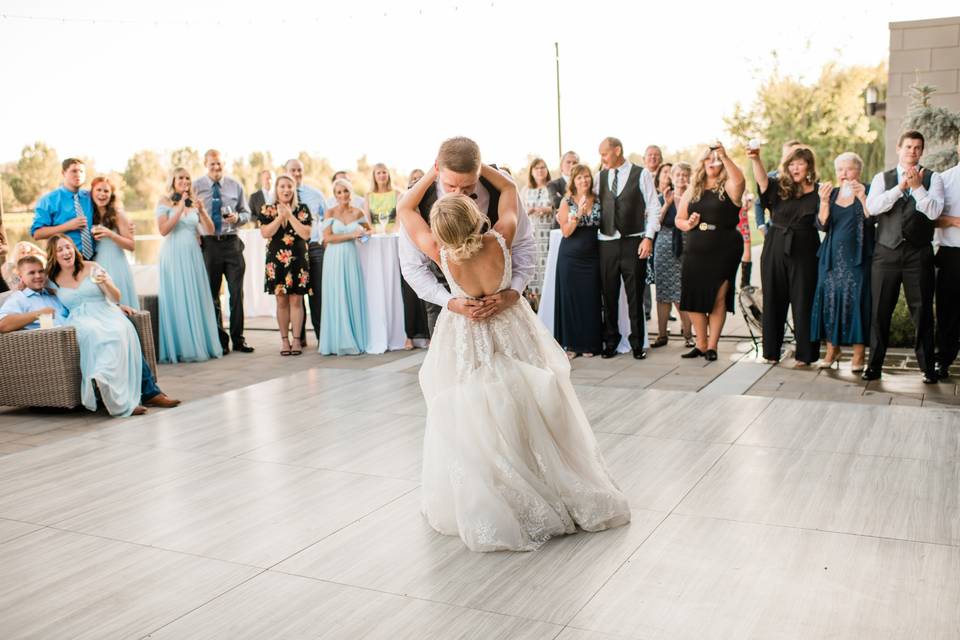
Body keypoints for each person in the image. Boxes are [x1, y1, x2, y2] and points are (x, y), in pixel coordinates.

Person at [398, 162, 629, 552]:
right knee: (528, 402)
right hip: (512, 325)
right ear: (476, 215)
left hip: (469, 333)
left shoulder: (442, 253)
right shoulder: (501, 238)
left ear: (441, 233)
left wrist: (434, 173)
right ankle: (547, 476)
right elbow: (509, 191)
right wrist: (479, 166)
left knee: (482, 413)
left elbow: (405, 208)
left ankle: (503, 491)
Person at [0, 253, 180, 411]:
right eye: (31, 273)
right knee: (109, 337)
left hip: (76, 336)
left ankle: (146, 392)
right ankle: (124, 398)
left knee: (121, 331)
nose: (38, 276)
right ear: (20, 276)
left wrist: (115, 307)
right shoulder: (19, 298)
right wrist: (37, 314)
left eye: (41, 271)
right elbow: (3, 324)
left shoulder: (52, 293)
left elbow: (80, 305)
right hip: (53, 349)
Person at [399, 136, 535, 337]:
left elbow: (403, 208)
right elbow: (413, 267)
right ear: (479, 219)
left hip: (483, 316)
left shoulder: (438, 250)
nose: (459, 194)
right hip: (450, 308)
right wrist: (449, 302)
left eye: (468, 187)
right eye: (450, 186)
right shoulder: (502, 236)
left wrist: (514, 291)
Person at [862, 131, 945, 383]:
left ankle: (927, 367)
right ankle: (874, 365)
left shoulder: (934, 178)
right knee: (880, 312)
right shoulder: (882, 178)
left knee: (922, 313)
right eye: (908, 146)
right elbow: (874, 208)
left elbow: (933, 212)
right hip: (885, 253)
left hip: (918, 254)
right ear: (899, 148)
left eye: (918, 147)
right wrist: (900, 188)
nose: (912, 151)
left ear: (922, 151)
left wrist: (918, 188)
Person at [45, 236, 139, 416]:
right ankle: (103, 379)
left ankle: (104, 377)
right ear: (53, 256)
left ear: (74, 249)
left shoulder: (93, 267)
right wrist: (19, 288)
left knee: (118, 331)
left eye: (68, 247)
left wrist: (105, 282)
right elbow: (32, 284)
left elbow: (115, 297)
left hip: (106, 311)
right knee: (92, 332)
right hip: (80, 317)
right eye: (60, 250)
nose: (66, 252)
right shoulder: (52, 279)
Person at [748, 144, 821, 366]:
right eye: (791, 163)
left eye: (800, 163)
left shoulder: (819, 192)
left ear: (809, 166)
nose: (795, 167)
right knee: (773, 299)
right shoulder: (780, 187)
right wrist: (756, 159)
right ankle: (771, 352)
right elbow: (761, 182)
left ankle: (805, 355)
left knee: (803, 301)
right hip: (776, 245)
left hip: (806, 248)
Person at [676, 143, 746, 361]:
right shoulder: (693, 188)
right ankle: (701, 343)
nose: (712, 163)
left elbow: (741, 181)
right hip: (696, 247)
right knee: (692, 296)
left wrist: (725, 156)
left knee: (718, 298)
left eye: (716, 160)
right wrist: (688, 224)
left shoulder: (729, 186)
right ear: (702, 162)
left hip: (724, 247)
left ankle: (713, 345)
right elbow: (679, 218)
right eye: (708, 159)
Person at [596, 136, 660, 359]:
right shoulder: (600, 177)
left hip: (634, 241)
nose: (602, 158)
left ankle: (637, 343)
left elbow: (653, 207)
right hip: (606, 243)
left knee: (635, 296)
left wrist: (648, 237)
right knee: (609, 295)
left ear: (617, 150)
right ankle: (611, 341)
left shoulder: (640, 174)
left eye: (604, 153)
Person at [810, 152, 874, 372]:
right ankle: (832, 349)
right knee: (830, 300)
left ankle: (858, 355)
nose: (844, 174)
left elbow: (873, 219)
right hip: (831, 258)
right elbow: (821, 225)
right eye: (840, 169)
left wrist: (864, 198)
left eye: (849, 169)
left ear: (859, 170)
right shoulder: (832, 192)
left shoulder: (869, 189)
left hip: (858, 257)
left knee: (857, 301)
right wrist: (824, 201)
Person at [156, 168, 223, 363]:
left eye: (187, 178)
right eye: (181, 178)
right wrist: (179, 207)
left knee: (195, 295)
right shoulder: (165, 202)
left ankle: (200, 343)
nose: (185, 181)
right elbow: (163, 230)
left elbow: (209, 230)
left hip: (193, 255)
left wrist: (201, 211)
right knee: (177, 296)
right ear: (173, 181)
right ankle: (182, 347)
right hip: (173, 254)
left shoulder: (194, 204)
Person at [193, 149, 254, 355]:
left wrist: (237, 218)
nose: (216, 167)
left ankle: (238, 339)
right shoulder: (196, 186)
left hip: (232, 244)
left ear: (223, 164)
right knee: (212, 295)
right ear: (205, 164)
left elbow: (247, 213)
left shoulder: (235, 186)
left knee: (236, 293)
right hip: (209, 245)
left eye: (219, 164)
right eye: (212, 164)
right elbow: (189, 214)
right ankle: (220, 340)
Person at [258, 175, 312, 356]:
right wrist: (280, 218)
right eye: (282, 186)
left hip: (298, 260)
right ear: (276, 188)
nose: (286, 190)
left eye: (289, 186)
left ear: (294, 188)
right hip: (277, 260)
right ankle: (284, 341)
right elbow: (266, 233)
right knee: (281, 300)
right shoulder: (267, 209)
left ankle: (297, 339)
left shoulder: (302, 209)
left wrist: (290, 215)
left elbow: (306, 234)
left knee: (297, 300)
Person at [555, 164, 602, 357]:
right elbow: (566, 232)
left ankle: (589, 343)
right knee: (571, 300)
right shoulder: (567, 201)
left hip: (592, 256)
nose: (584, 180)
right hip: (570, 257)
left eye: (587, 177)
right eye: (580, 178)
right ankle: (572, 345)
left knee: (590, 299)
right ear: (573, 181)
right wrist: (578, 214)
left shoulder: (598, 199)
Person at [319, 178, 370, 355]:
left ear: (351, 192)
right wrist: (352, 234)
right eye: (339, 192)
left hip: (351, 256)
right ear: (334, 195)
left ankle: (355, 338)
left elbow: (368, 230)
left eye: (345, 191)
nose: (343, 195)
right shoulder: (330, 212)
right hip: (333, 258)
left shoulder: (358, 212)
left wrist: (364, 235)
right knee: (336, 295)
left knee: (352, 293)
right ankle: (336, 341)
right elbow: (327, 238)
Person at [284, 158, 326, 349]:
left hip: (314, 247)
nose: (296, 173)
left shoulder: (315, 194)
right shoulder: (278, 196)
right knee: (295, 295)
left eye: (299, 170)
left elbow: (326, 219)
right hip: (291, 251)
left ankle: (322, 337)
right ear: (285, 171)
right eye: (292, 170)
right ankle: (298, 337)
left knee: (316, 294)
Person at [653, 163, 693, 347]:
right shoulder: (662, 198)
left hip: (687, 245)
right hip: (664, 245)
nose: (681, 177)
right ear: (672, 177)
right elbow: (655, 223)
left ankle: (688, 334)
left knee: (683, 292)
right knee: (663, 293)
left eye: (685, 174)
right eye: (678, 174)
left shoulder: (693, 198)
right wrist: (667, 204)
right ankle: (662, 335)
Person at [31, 158, 96, 259]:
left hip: (94, 258)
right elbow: (37, 234)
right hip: (64, 259)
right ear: (63, 173)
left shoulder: (90, 197)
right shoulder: (48, 200)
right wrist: (68, 226)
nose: (78, 174)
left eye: (81, 171)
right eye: (74, 171)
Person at [89, 176, 138, 309]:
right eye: (98, 190)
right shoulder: (88, 214)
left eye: (106, 191)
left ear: (111, 195)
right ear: (92, 191)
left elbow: (131, 245)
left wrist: (111, 234)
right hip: (96, 265)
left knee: (121, 303)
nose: (102, 194)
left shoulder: (117, 214)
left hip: (116, 264)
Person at [934, 136, 960, 379]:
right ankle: (943, 361)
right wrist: (953, 221)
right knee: (948, 312)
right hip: (952, 256)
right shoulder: (944, 179)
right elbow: (930, 218)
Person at [522, 157, 554, 307]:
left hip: (548, 234)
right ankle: (537, 305)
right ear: (531, 172)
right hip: (532, 236)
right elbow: (520, 211)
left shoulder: (552, 187)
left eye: (543, 167)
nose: (540, 171)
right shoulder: (525, 190)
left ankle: (550, 304)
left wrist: (543, 209)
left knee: (548, 269)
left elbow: (558, 207)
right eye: (537, 168)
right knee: (534, 270)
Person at [753, 140, 803, 235]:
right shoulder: (772, 177)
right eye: (787, 155)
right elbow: (758, 203)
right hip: (776, 233)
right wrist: (762, 226)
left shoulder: (808, 180)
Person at [367, 163, 400, 232]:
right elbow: (367, 217)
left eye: (384, 172)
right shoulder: (368, 195)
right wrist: (372, 231)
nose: (382, 175)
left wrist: (394, 231)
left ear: (388, 175)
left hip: (393, 232)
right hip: (374, 232)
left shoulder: (397, 193)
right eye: (378, 173)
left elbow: (399, 216)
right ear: (374, 176)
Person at [737, 192, 755, 289]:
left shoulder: (744, 191)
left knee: (747, 251)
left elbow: (748, 206)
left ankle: (745, 282)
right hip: (732, 222)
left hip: (743, 222)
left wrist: (749, 201)